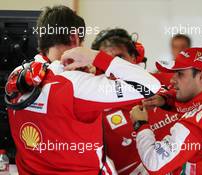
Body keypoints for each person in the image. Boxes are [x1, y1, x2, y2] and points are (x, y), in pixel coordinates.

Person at [6, 6, 160, 174]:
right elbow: (150, 85)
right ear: (75, 38)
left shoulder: (18, 75)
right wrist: (95, 56)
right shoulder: (77, 85)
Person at [91, 28, 178, 175]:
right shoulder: (93, 109)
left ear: (133, 57)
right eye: (105, 61)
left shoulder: (167, 82)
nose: (113, 68)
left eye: (119, 59)